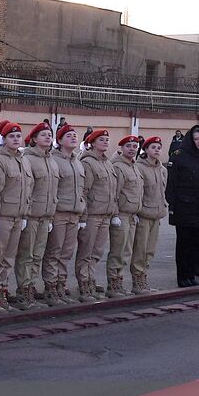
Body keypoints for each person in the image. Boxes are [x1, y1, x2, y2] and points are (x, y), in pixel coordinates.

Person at [165, 125, 199, 287]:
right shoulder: (180, 157)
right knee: (184, 245)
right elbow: (171, 184)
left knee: (196, 245)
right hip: (184, 207)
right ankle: (183, 277)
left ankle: (191, 275)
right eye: (196, 139)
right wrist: (172, 205)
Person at [0, 122, 30, 311]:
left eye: (18, 136)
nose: (16, 139)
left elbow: (28, 188)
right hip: (3, 215)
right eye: (11, 136)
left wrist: (25, 213)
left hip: (18, 215)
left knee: (9, 258)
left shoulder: (22, 159)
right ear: (3, 139)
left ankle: (3, 290)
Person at [16, 121, 59, 307]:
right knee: (26, 255)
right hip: (31, 215)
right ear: (33, 139)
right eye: (43, 134)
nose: (48, 137)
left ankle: (31, 288)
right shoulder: (27, 158)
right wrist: (25, 214)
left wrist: (50, 215)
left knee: (37, 256)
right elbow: (26, 189)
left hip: (46, 215)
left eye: (49, 134)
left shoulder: (51, 159)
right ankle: (24, 291)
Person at [43, 122, 85, 304]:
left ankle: (61, 284)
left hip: (74, 213)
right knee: (54, 252)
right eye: (68, 136)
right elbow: (51, 189)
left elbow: (83, 190)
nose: (73, 137)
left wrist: (82, 214)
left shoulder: (77, 161)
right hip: (59, 212)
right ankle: (51, 288)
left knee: (67, 252)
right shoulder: (54, 160)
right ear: (59, 140)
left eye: (75, 135)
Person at [75, 127, 117, 301]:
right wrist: (83, 217)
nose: (105, 142)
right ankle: (83, 283)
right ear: (91, 144)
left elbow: (112, 191)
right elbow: (84, 192)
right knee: (86, 251)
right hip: (92, 214)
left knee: (97, 252)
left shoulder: (107, 163)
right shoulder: (88, 162)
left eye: (107, 140)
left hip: (104, 214)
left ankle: (90, 278)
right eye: (101, 140)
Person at [130, 136, 168, 295]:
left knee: (149, 250)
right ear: (145, 150)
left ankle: (144, 277)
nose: (156, 150)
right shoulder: (139, 167)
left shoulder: (163, 169)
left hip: (156, 214)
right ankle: (137, 281)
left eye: (159, 147)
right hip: (143, 214)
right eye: (153, 147)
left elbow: (162, 192)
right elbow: (138, 192)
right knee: (140, 249)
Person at [105, 135, 142, 298]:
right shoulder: (119, 167)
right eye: (128, 146)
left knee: (126, 252)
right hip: (121, 215)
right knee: (118, 252)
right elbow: (114, 192)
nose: (132, 149)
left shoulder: (134, 166)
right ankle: (113, 284)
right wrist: (115, 214)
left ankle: (119, 282)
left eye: (135, 146)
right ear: (121, 148)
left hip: (132, 215)